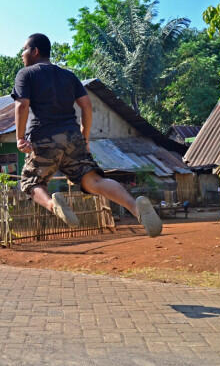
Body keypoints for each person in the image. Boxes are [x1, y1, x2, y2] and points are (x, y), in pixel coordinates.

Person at [11, 33, 162, 237]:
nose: (22, 55)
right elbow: (86, 105)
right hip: (73, 138)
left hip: (44, 138)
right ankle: (136, 208)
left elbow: (22, 105)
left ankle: (53, 205)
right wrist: (85, 137)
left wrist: (20, 137)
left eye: (24, 50)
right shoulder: (68, 76)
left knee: (31, 182)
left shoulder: (26, 74)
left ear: (35, 51)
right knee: (93, 181)